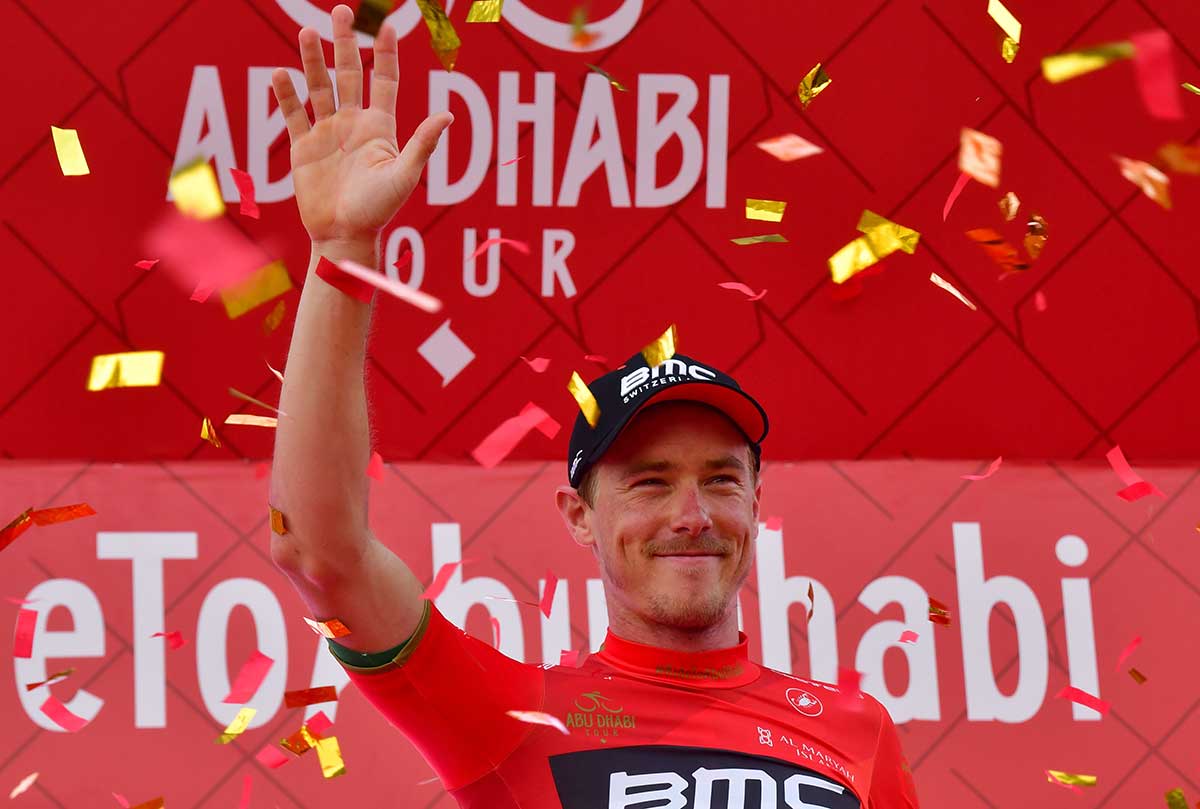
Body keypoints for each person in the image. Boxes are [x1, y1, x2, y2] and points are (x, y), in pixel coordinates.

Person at [268, 6, 920, 807]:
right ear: (578, 514)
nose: (692, 513)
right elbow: (318, 553)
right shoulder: (513, 717)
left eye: (720, 478)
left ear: (757, 500)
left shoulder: (858, 734)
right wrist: (341, 257)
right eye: (648, 481)